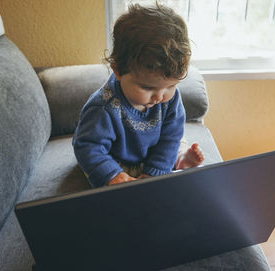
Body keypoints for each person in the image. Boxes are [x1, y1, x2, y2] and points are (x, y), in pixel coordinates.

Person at [72, 3, 204, 188]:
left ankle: (180, 159)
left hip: (153, 146)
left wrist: (155, 172)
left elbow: (170, 136)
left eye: (171, 86)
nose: (159, 97)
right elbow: (87, 146)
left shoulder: (169, 98)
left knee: (176, 143)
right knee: (113, 175)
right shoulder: (104, 108)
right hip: (118, 156)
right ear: (118, 70)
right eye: (147, 88)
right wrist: (112, 174)